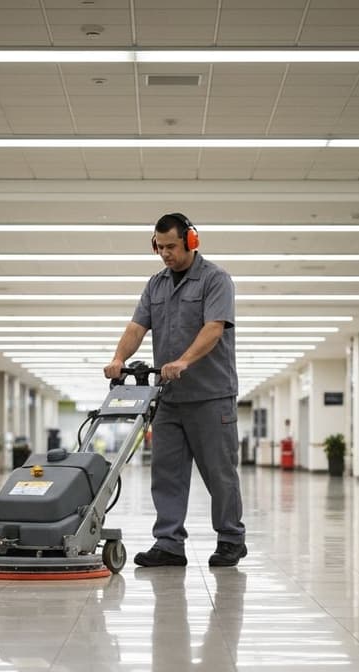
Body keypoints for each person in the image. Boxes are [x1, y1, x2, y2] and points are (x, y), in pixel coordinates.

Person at [103, 212, 246, 567]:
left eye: (171, 246)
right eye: (159, 247)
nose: (165, 253)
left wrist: (183, 361)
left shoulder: (215, 279)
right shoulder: (155, 285)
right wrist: (119, 357)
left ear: (191, 242)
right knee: (166, 473)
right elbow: (136, 327)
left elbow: (214, 328)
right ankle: (168, 543)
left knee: (220, 473)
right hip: (168, 398)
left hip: (212, 396)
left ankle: (231, 539)